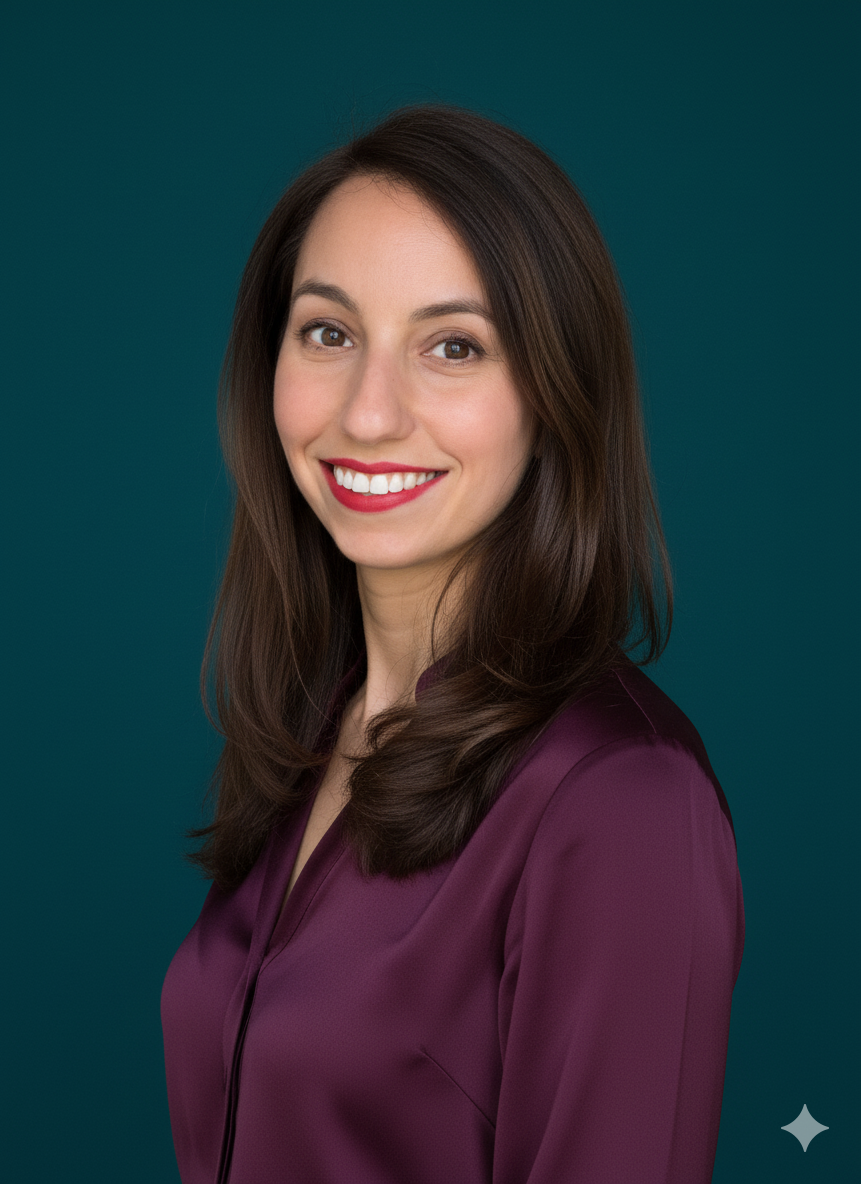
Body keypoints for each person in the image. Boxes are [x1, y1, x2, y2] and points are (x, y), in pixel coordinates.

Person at [161, 103, 745, 1184]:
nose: (369, 415)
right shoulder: (315, 731)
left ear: (554, 395)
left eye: (453, 346)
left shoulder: (623, 799)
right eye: (329, 332)